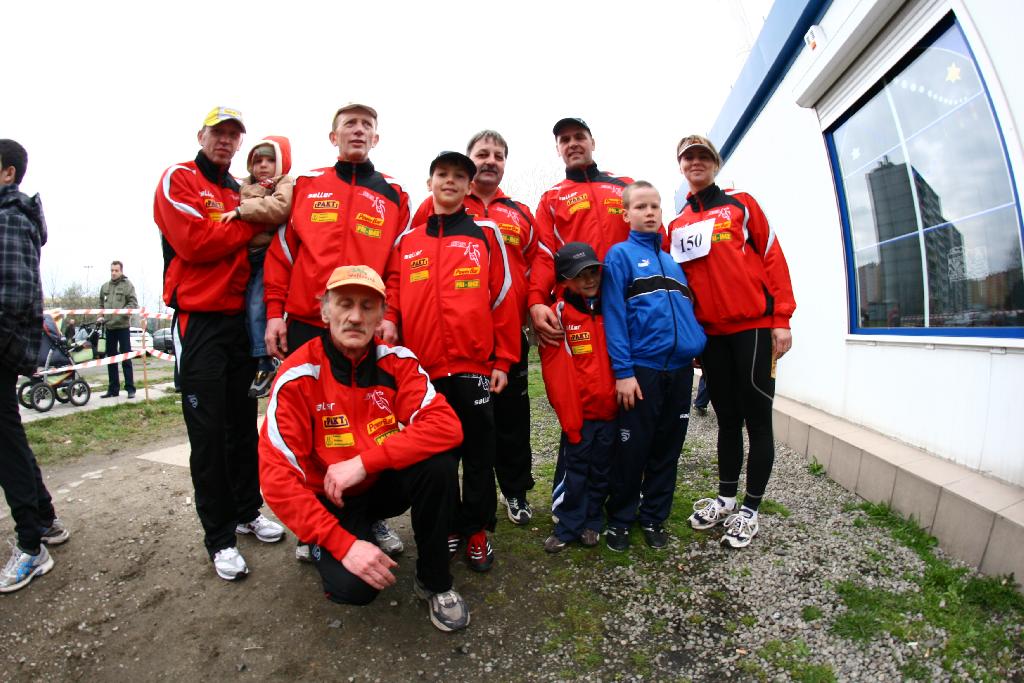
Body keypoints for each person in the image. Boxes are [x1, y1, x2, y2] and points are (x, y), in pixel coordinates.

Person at [259, 265, 469, 632]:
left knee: (438, 461)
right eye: (345, 304)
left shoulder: (398, 361)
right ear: (325, 311)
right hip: (331, 497)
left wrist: (363, 462)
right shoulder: (297, 375)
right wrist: (341, 544)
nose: (355, 317)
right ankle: (319, 538)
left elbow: (446, 425)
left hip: (376, 483)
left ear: (381, 315)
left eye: (368, 306)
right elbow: (276, 478)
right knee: (355, 589)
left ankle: (434, 582)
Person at [263, 103, 410, 560]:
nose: (358, 131)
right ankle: (314, 526)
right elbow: (283, 253)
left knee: (371, 422)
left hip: (365, 325)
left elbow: (397, 264)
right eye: (350, 124)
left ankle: (372, 515)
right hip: (308, 322)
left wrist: (391, 313)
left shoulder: (394, 193)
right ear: (334, 137)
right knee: (310, 427)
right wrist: (274, 311)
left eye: (367, 125)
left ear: (376, 138)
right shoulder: (307, 185)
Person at [153, 106, 284, 581]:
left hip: (238, 325)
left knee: (242, 426)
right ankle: (220, 538)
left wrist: (243, 214)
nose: (225, 141)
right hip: (199, 322)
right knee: (208, 435)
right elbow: (196, 242)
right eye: (218, 133)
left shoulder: (238, 189)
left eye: (233, 135)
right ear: (201, 135)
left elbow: (267, 231)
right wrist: (250, 222)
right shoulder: (179, 178)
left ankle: (247, 511)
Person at [381, 151, 518, 573]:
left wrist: (503, 359)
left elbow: (502, 296)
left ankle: (476, 530)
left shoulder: (486, 233)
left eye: (460, 176)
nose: (451, 181)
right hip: (423, 371)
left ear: (468, 186)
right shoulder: (407, 241)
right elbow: (393, 292)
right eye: (443, 174)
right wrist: (389, 322)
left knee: (478, 453)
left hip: (474, 366)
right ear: (430, 183)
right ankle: (447, 527)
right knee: (437, 457)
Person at [669, 134, 796, 549]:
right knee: (726, 420)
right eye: (688, 157)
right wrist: (690, 338)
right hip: (711, 337)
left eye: (703, 156)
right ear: (681, 166)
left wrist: (781, 319)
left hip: (753, 329)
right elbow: (682, 285)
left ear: (715, 163)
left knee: (757, 421)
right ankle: (726, 500)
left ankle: (750, 510)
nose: (696, 162)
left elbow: (773, 256)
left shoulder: (742, 204)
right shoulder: (677, 224)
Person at [411, 130, 539, 526]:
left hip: (506, 334)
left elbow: (541, 260)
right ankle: (453, 509)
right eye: (483, 153)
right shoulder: (433, 206)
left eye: (499, 155)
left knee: (511, 420)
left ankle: (515, 492)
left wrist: (535, 301)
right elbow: (408, 261)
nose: (491, 160)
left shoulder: (519, 212)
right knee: (457, 429)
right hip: (449, 344)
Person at [602, 181, 706, 552]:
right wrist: (623, 372)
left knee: (667, 449)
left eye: (655, 206)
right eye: (641, 206)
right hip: (642, 370)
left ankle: (653, 517)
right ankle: (620, 519)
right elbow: (614, 317)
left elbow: (687, 310)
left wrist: (696, 343)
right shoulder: (619, 256)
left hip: (679, 371)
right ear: (625, 214)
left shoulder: (673, 261)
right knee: (633, 449)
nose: (649, 213)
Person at [0, 138, 70, 593]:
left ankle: (31, 546)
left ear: (8, 173)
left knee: (5, 444)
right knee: (9, 438)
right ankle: (43, 521)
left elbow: (15, 292)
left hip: (2, 344)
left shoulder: (9, 216)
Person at [538, 242, 616, 553]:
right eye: (579, 275)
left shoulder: (613, 306)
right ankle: (567, 526)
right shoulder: (558, 314)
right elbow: (555, 374)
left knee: (602, 471)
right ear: (564, 281)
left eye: (593, 271)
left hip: (611, 412)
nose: (589, 279)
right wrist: (570, 418)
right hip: (579, 416)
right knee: (575, 472)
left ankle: (592, 522)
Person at [529, 117, 634, 346]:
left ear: (592, 143)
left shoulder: (625, 186)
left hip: (632, 301)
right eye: (565, 140)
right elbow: (544, 256)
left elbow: (655, 239)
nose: (573, 143)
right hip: (582, 309)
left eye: (579, 137)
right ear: (558, 149)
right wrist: (536, 301)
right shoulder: (551, 199)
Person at [220, 136, 294, 398]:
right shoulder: (243, 184)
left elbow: (281, 207)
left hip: (267, 255)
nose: (263, 165)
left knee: (256, 305)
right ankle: (250, 359)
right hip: (244, 256)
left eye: (269, 160)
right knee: (241, 310)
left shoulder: (283, 183)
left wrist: (242, 211)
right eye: (257, 160)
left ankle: (266, 361)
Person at [98, 261, 138, 399]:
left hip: (122, 327)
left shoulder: (128, 285)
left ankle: (130, 388)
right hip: (109, 327)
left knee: (126, 358)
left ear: (121, 271)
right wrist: (100, 316)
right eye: (112, 270)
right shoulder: (105, 287)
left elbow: (133, 303)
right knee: (111, 359)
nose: (113, 273)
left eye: (116, 270)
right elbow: (101, 304)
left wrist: (121, 313)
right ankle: (113, 389)